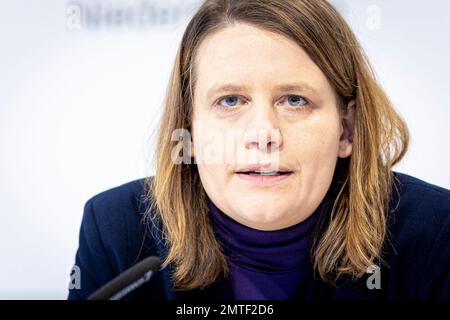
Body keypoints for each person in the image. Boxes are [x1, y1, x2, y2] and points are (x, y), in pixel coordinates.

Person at [68, 0, 450, 300]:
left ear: (346, 130)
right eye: (231, 101)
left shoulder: (435, 233)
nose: (264, 133)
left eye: (295, 100)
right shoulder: (117, 229)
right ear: (189, 130)